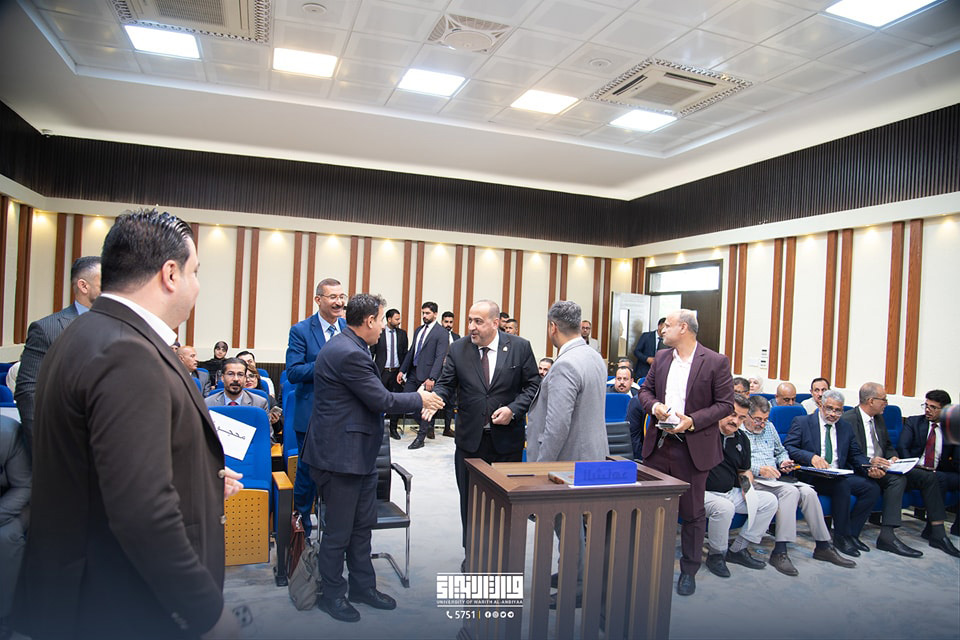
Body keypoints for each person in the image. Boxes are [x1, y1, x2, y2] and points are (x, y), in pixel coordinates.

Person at [14, 209, 241, 639]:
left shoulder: (86, 333)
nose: (197, 285)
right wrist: (206, 613)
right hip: (122, 600)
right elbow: (142, 510)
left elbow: (106, 461)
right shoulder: (128, 351)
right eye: (195, 271)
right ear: (170, 274)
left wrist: (199, 475)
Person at [302, 293, 443, 623]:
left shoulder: (352, 346)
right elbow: (381, 399)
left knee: (361, 528)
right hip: (341, 458)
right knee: (338, 533)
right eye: (380, 320)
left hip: (359, 456)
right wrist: (420, 398)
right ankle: (332, 595)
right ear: (368, 321)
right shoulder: (349, 352)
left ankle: (362, 587)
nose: (382, 327)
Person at [432, 300, 540, 557]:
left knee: (505, 503)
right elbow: (446, 384)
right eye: (470, 320)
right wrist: (435, 397)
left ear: (495, 323)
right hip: (470, 442)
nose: (471, 326)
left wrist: (513, 409)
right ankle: (472, 555)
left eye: (478, 321)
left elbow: (533, 385)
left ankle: (502, 555)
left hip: (507, 443)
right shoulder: (458, 348)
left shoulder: (520, 347)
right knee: (470, 503)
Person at [637, 309, 734, 596]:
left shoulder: (715, 361)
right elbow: (645, 391)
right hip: (659, 444)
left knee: (692, 513)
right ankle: (649, 565)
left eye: (667, 325)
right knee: (652, 510)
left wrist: (692, 421)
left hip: (692, 448)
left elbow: (725, 404)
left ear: (683, 328)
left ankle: (689, 570)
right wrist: (655, 406)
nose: (662, 330)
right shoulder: (662, 358)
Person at [739, 395, 855, 574]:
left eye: (765, 419)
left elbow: (780, 451)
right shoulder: (739, 431)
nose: (761, 424)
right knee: (790, 492)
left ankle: (823, 546)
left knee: (809, 492)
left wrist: (784, 461)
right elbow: (737, 463)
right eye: (757, 420)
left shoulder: (769, 427)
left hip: (775, 479)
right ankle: (780, 551)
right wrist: (760, 469)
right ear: (747, 415)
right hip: (754, 479)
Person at [843, 383, 954, 557]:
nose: (886, 403)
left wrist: (893, 457)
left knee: (929, 477)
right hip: (863, 468)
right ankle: (887, 536)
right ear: (871, 401)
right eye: (884, 399)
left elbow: (888, 446)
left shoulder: (879, 418)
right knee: (897, 480)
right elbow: (849, 454)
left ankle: (938, 534)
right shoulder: (848, 419)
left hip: (886, 466)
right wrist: (869, 465)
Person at [15, 255, 101, 454]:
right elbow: (29, 391)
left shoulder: (123, 326)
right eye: (105, 281)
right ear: (83, 286)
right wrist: (43, 449)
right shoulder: (47, 329)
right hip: (64, 448)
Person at [783, 389, 882, 558]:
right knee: (841, 485)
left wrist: (869, 466)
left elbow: (855, 454)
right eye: (829, 408)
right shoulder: (803, 422)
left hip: (837, 473)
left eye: (838, 410)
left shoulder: (845, 427)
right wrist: (811, 457)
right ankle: (840, 538)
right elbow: (789, 447)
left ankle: (852, 535)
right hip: (812, 475)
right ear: (820, 405)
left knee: (871, 488)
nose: (833, 414)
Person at [286, 278, 346, 532]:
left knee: (339, 473)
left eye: (342, 297)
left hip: (343, 416)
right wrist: (328, 363)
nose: (339, 302)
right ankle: (302, 527)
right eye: (333, 297)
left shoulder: (348, 327)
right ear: (318, 300)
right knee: (308, 472)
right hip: (311, 415)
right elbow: (293, 372)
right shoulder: (301, 330)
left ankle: (334, 530)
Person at [527, 301, 608, 464]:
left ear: (553, 327)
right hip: (595, 456)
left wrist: (541, 466)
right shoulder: (596, 357)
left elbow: (557, 426)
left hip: (568, 462)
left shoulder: (565, 365)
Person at [702, 410, 778, 579]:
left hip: (730, 492)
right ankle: (716, 555)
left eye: (741, 417)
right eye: (732, 415)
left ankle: (738, 549)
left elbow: (744, 470)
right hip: (702, 493)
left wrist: (746, 488)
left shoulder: (742, 438)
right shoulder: (704, 433)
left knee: (769, 501)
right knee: (725, 507)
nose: (736, 421)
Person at [899, 390, 960, 539]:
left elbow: (957, 458)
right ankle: (932, 530)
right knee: (939, 479)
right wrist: (913, 468)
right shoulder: (914, 422)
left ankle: (957, 528)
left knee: (942, 477)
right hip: (916, 470)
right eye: (926, 405)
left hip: (939, 471)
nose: (927, 410)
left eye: (933, 407)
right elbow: (902, 447)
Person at [401, 301, 448, 449]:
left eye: (427, 313)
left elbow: (440, 357)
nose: (424, 316)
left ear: (435, 314)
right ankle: (428, 423)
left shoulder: (441, 332)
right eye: (423, 313)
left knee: (426, 407)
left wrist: (432, 377)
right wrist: (402, 370)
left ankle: (420, 439)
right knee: (406, 401)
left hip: (428, 375)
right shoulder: (419, 330)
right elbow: (412, 351)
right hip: (413, 372)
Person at [0, 415, 30, 639]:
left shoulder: (8, 433)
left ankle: (5, 616)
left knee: (5, 537)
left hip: (14, 502)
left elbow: (24, 487)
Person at [372, 308, 408, 439]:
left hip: (397, 373)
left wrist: (403, 372)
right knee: (379, 400)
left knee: (396, 401)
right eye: (396, 319)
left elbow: (405, 354)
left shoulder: (402, 334)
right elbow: (372, 352)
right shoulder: (379, 333)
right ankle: (378, 428)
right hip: (382, 372)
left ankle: (393, 428)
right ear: (389, 319)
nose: (399, 321)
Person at [205, 358, 270, 410]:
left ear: (245, 378)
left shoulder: (259, 404)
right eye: (230, 374)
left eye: (240, 374)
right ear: (222, 378)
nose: (236, 379)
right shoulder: (208, 403)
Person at [440, 311, 460, 437]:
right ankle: (430, 429)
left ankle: (447, 428)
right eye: (446, 322)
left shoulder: (456, 337)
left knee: (450, 402)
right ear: (442, 322)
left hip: (452, 373)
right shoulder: (436, 335)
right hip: (438, 372)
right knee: (436, 399)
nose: (448, 324)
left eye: (451, 322)